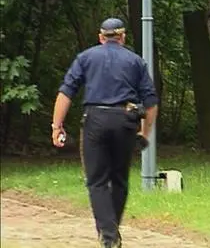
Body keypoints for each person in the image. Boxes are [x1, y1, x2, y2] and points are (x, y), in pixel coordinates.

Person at [51, 17, 158, 248]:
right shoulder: (136, 61)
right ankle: (111, 233)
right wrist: (144, 133)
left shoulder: (86, 58)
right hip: (125, 121)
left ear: (101, 37)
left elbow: (66, 92)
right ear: (123, 37)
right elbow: (151, 103)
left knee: (97, 181)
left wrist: (56, 126)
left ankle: (109, 236)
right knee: (119, 179)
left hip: (95, 120)